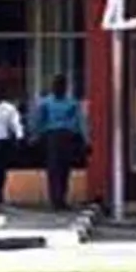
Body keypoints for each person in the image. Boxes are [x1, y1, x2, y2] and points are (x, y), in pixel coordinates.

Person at [31, 74, 86, 211]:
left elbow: (80, 121)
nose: (58, 88)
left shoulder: (72, 103)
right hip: (52, 137)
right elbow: (39, 120)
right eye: (56, 85)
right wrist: (36, 135)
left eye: (61, 85)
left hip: (67, 136)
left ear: (65, 87)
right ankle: (54, 200)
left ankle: (61, 199)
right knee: (53, 168)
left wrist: (84, 138)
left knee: (65, 169)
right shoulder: (46, 103)